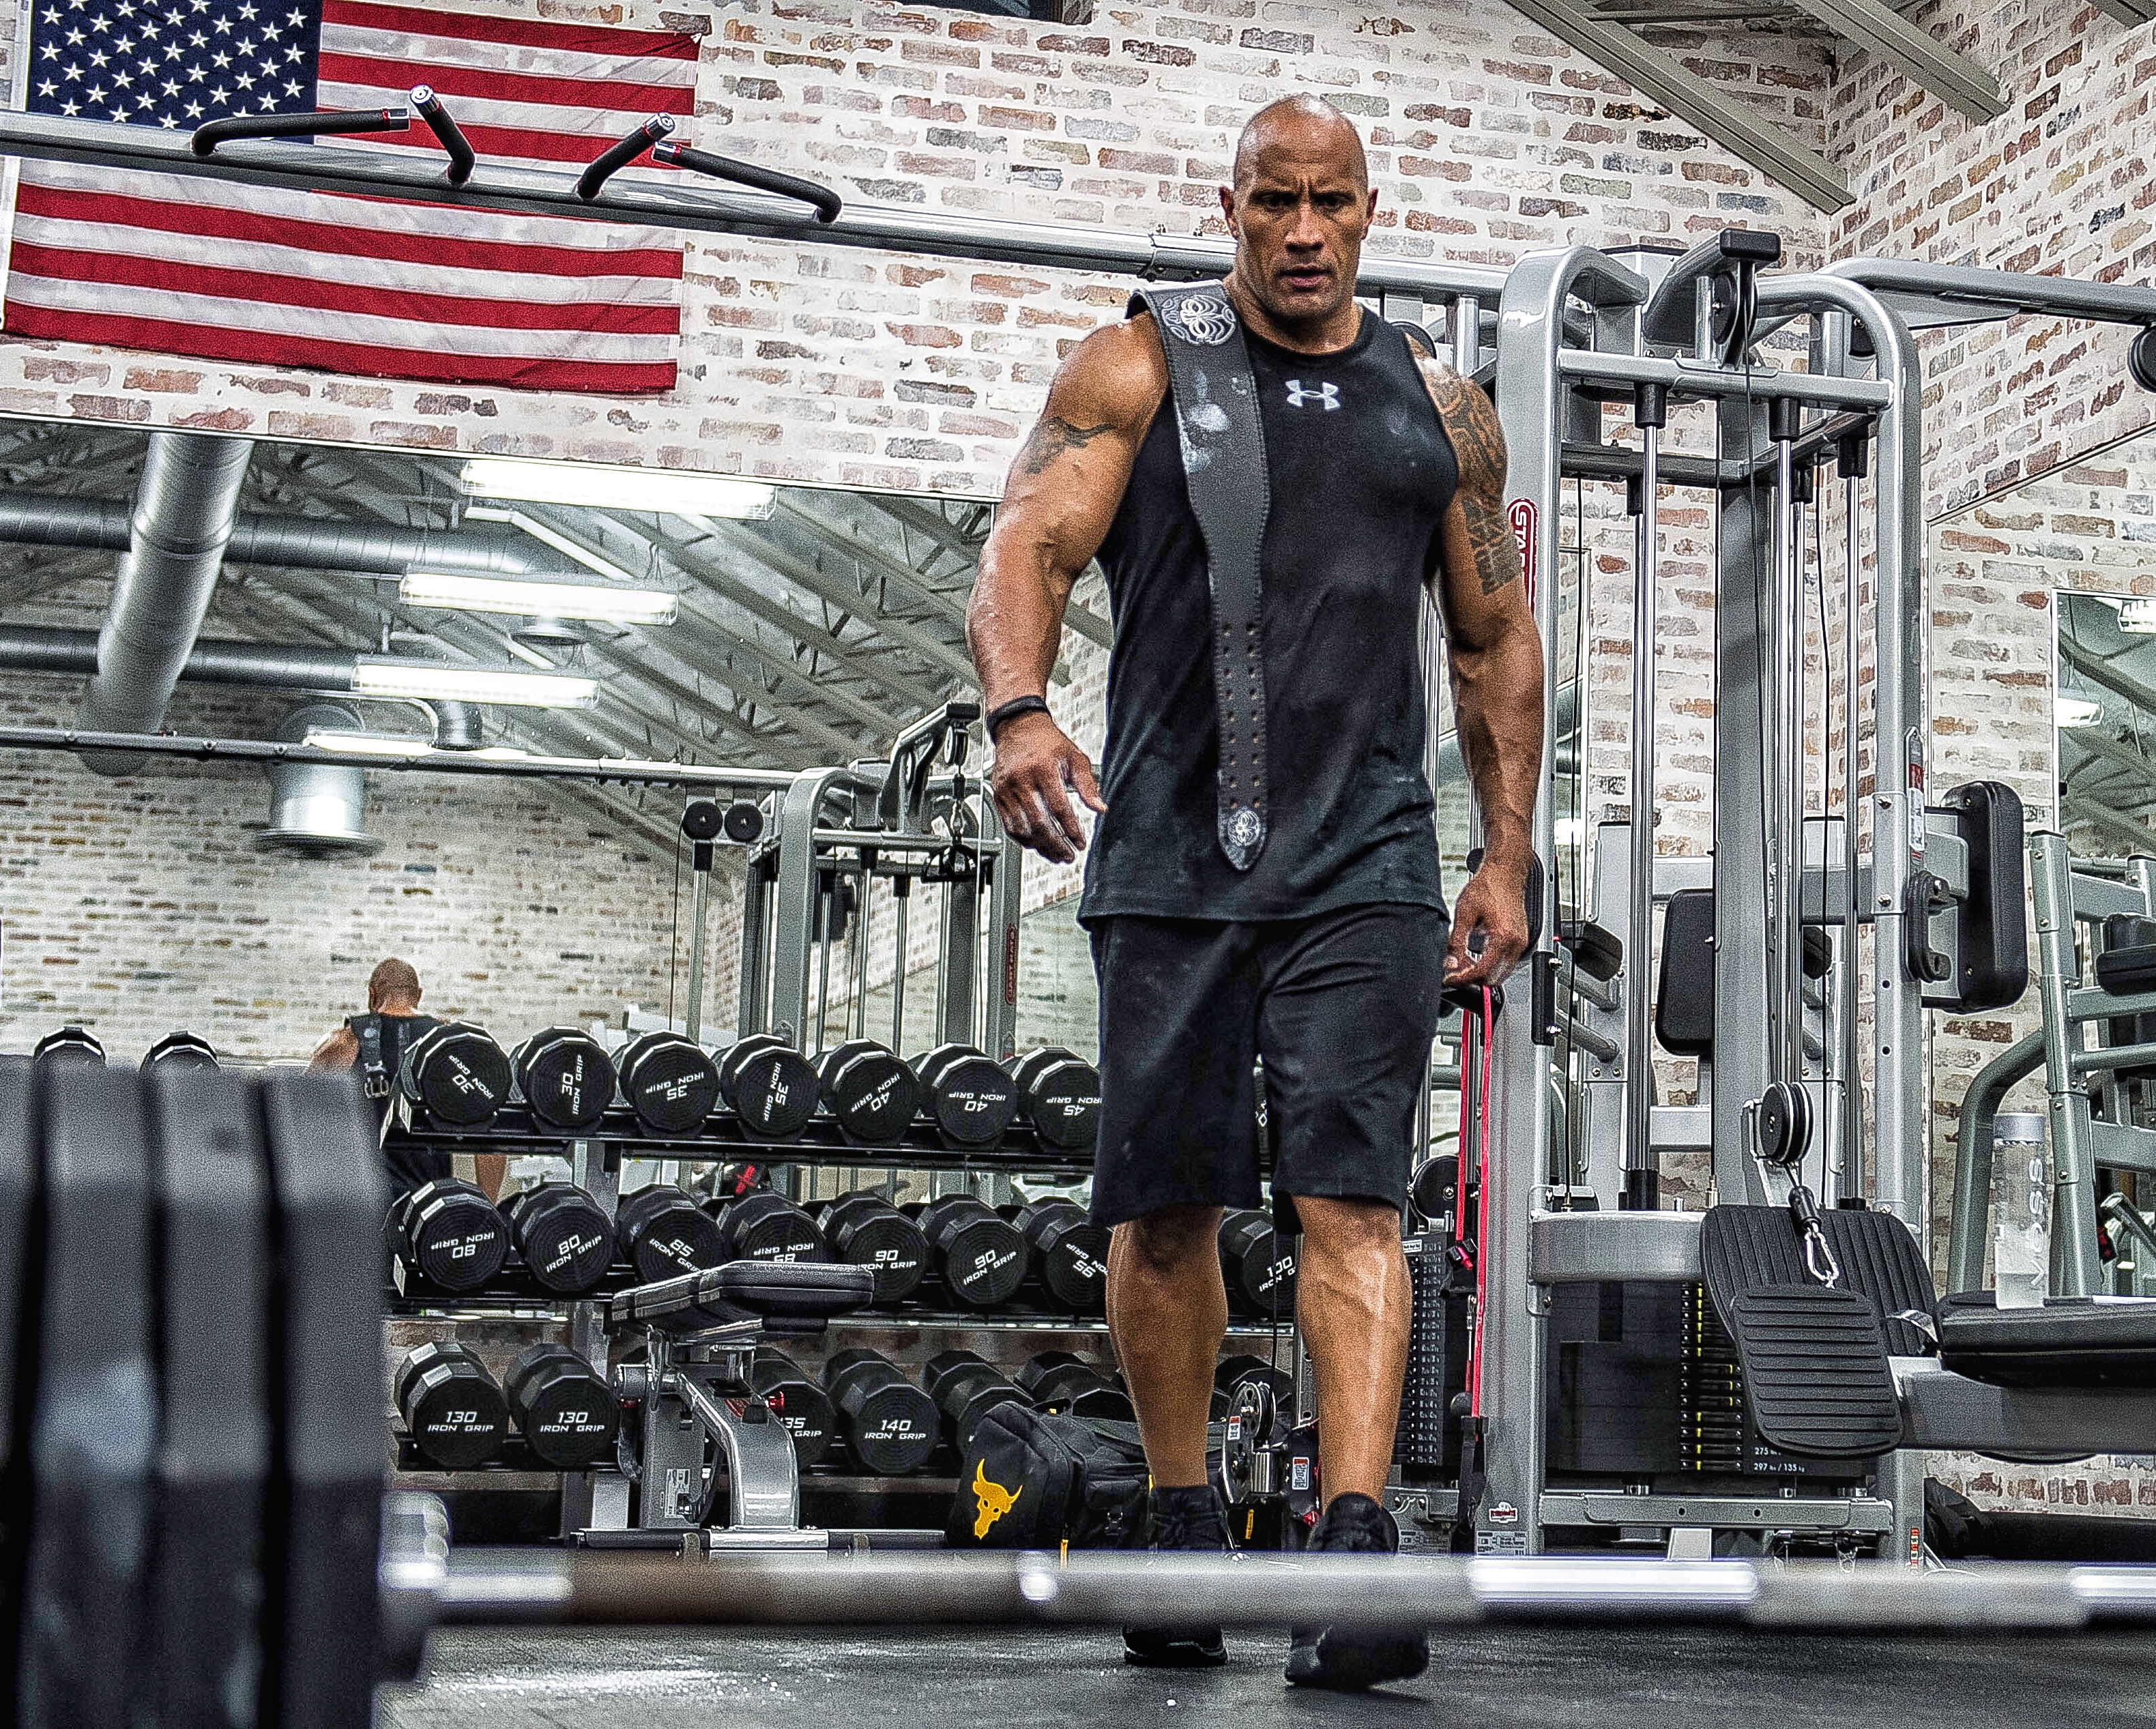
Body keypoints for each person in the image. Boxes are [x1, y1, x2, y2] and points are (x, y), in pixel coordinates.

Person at [966, 95, 1544, 1689]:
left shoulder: (1440, 408)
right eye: (1272, 202)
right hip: (1169, 856)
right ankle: (1178, 1517)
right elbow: (1024, 543)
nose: (1301, 230)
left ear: (1367, 210)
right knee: (1164, 1214)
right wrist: (1017, 710)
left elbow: (1493, 637)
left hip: (1366, 863)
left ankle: (1350, 1546)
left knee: (1353, 1204)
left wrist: (1503, 851)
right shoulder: (1136, 366)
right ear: (1228, 206)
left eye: (1329, 202)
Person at [310, 957, 504, 1202]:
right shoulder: (452, 1049)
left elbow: (301, 1123)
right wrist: (486, 1208)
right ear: (418, 995)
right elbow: (491, 1144)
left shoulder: (344, 1042)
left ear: (372, 994)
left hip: (361, 1202)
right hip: (429, 1205)